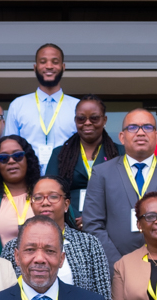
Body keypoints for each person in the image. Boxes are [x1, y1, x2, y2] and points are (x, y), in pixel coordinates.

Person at [82, 109, 157, 269]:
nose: (140, 133)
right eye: (133, 128)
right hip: (115, 269)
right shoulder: (101, 173)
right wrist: (118, 264)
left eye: (147, 127)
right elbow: (93, 224)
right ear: (122, 137)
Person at [45, 95, 122, 228]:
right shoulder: (60, 154)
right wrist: (69, 218)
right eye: (81, 118)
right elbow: (50, 193)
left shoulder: (120, 153)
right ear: (75, 120)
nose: (87, 123)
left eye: (94, 118)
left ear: (104, 120)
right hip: (69, 225)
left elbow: (125, 194)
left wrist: (94, 218)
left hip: (110, 225)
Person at [4, 43, 79, 166]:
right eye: (43, 62)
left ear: (63, 66)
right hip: (28, 179)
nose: (49, 66)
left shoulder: (77, 107)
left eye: (55, 62)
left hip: (67, 178)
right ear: (35, 67)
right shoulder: (18, 105)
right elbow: (9, 148)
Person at [0, 135, 41, 255]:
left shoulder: (46, 192)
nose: (11, 161)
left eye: (18, 156)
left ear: (27, 159)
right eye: (3, 158)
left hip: (42, 266)